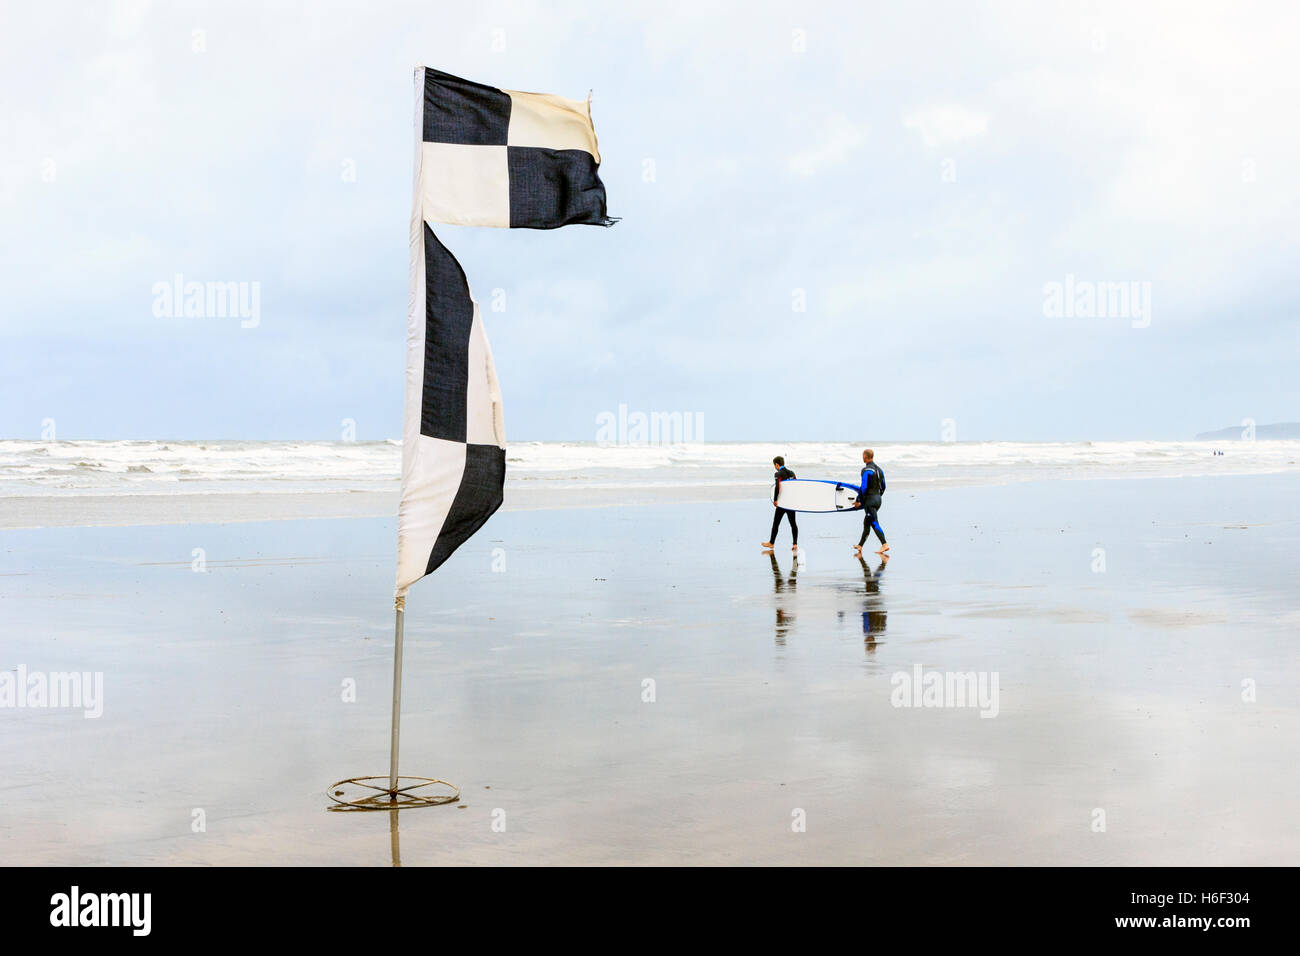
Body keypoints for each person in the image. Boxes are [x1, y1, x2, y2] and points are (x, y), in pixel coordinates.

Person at [851, 448, 888, 555]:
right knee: (867, 522)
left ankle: (884, 544)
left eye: (862, 456)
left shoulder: (866, 470)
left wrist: (859, 500)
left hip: (869, 501)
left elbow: (864, 487)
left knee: (874, 522)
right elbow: (884, 486)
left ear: (865, 457)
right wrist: (877, 496)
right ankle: (860, 545)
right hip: (878, 500)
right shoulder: (880, 470)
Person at [762, 455, 798, 552]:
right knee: (793, 523)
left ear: (777, 464)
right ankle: (795, 544)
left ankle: (771, 543)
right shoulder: (792, 473)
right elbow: (797, 486)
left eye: (775, 465)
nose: (775, 467)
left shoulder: (778, 474)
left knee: (776, 523)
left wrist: (775, 499)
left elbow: (778, 486)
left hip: (782, 504)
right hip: (791, 503)